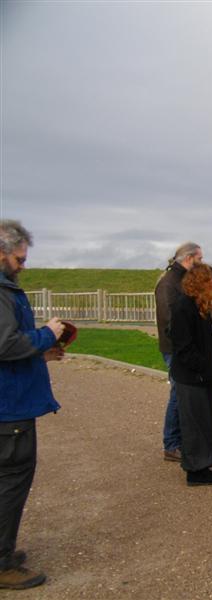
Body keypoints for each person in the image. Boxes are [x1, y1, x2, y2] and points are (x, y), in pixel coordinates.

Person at [0, 220, 65, 590]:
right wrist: (46, 334)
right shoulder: (2, 292)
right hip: (10, 407)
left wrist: (42, 355)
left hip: (11, 399)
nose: (23, 266)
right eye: (19, 259)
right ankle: (1, 561)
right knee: (10, 481)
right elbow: (5, 344)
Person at [168, 264, 212, 487]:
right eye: (210, 280)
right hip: (192, 376)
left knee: (211, 420)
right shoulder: (184, 306)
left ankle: (205, 463)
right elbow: (183, 347)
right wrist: (204, 368)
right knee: (194, 423)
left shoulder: (209, 305)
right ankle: (195, 470)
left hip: (208, 374)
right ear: (199, 282)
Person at [155, 242, 203, 462]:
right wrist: (184, 346)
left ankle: (181, 439)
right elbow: (169, 320)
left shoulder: (181, 280)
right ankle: (172, 443)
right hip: (176, 349)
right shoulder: (168, 283)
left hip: (184, 347)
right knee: (178, 394)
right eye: (199, 259)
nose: (201, 263)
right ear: (189, 258)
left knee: (183, 394)